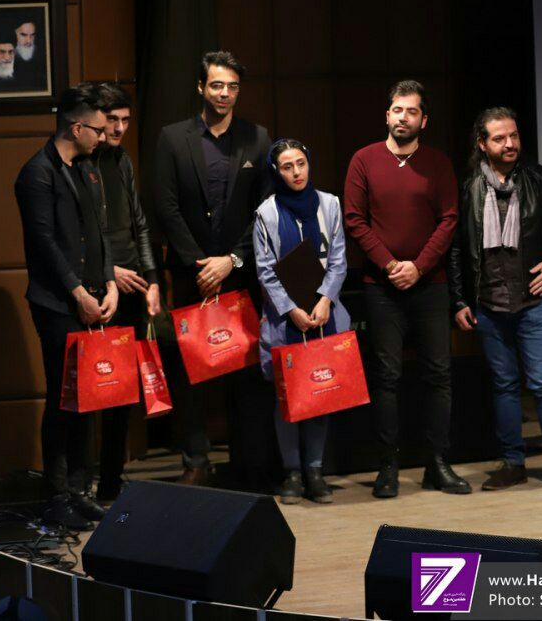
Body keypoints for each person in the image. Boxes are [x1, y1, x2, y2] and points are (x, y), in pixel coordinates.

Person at [343, 80, 469, 497]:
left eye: (411, 111)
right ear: (387, 115)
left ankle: (438, 463)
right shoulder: (364, 160)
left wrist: (419, 267)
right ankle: (388, 466)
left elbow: (449, 220)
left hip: (430, 285)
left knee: (439, 375)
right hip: (381, 287)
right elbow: (354, 219)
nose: (403, 117)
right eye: (397, 110)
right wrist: (390, 265)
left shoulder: (437, 163)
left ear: (423, 120)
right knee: (387, 376)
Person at [154, 50, 272, 485]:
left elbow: (265, 209)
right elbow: (165, 207)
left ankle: (247, 464)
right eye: (217, 85)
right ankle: (196, 461)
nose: (224, 94)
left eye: (232, 87)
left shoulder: (257, 138)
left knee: (244, 371)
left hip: (240, 272)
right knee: (190, 372)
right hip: (192, 274)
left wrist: (231, 261)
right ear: (201, 87)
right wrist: (200, 264)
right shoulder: (172, 138)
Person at [450, 107, 542, 492]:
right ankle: (512, 463)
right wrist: (459, 300)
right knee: (504, 386)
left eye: (514, 135)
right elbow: (456, 249)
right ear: (482, 143)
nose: (510, 144)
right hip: (488, 304)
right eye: (499, 138)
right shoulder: (469, 187)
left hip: (530, 302)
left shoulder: (538, 180)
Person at [14, 85, 117, 529]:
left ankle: (79, 489)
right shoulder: (37, 173)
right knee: (63, 397)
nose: (104, 136)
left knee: (88, 399)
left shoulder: (88, 169)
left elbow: (101, 232)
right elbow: (44, 243)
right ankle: (56, 496)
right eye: (98, 129)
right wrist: (78, 293)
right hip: (58, 304)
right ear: (76, 128)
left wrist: (109, 283)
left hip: (94, 299)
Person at [254, 138, 353, 506]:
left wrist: (325, 300)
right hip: (286, 319)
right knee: (288, 396)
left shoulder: (330, 204)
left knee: (321, 392)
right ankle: (292, 471)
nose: (296, 172)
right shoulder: (266, 213)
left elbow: (339, 259)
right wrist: (291, 309)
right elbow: (265, 270)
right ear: (276, 172)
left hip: (325, 314)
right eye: (287, 167)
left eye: (301, 163)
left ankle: (315, 470)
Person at [90, 82, 161, 503]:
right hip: (99, 287)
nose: (118, 128)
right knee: (92, 388)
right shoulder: (82, 162)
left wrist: (152, 279)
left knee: (122, 391)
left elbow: (139, 222)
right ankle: (82, 484)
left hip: (132, 283)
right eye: (112, 120)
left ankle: (110, 482)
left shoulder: (122, 160)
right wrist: (108, 272)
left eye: (125, 120)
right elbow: (79, 234)